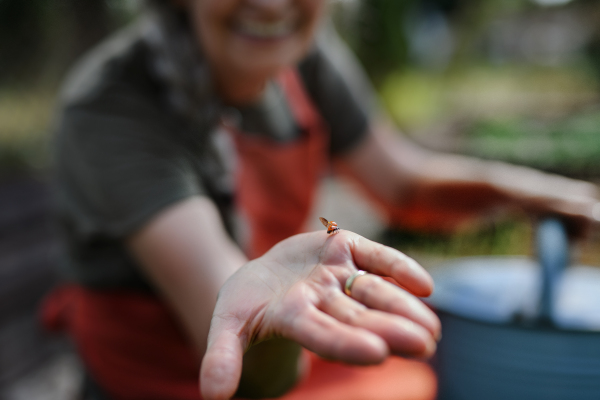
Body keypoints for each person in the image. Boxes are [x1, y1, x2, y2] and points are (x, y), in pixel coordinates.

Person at [44, 0, 600, 399]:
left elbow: (403, 184)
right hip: (167, 379)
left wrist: (533, 194)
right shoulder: (109, 108)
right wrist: (266, 312)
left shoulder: (301, 50)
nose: (269, 4)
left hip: (295, 359)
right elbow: (228, 322)